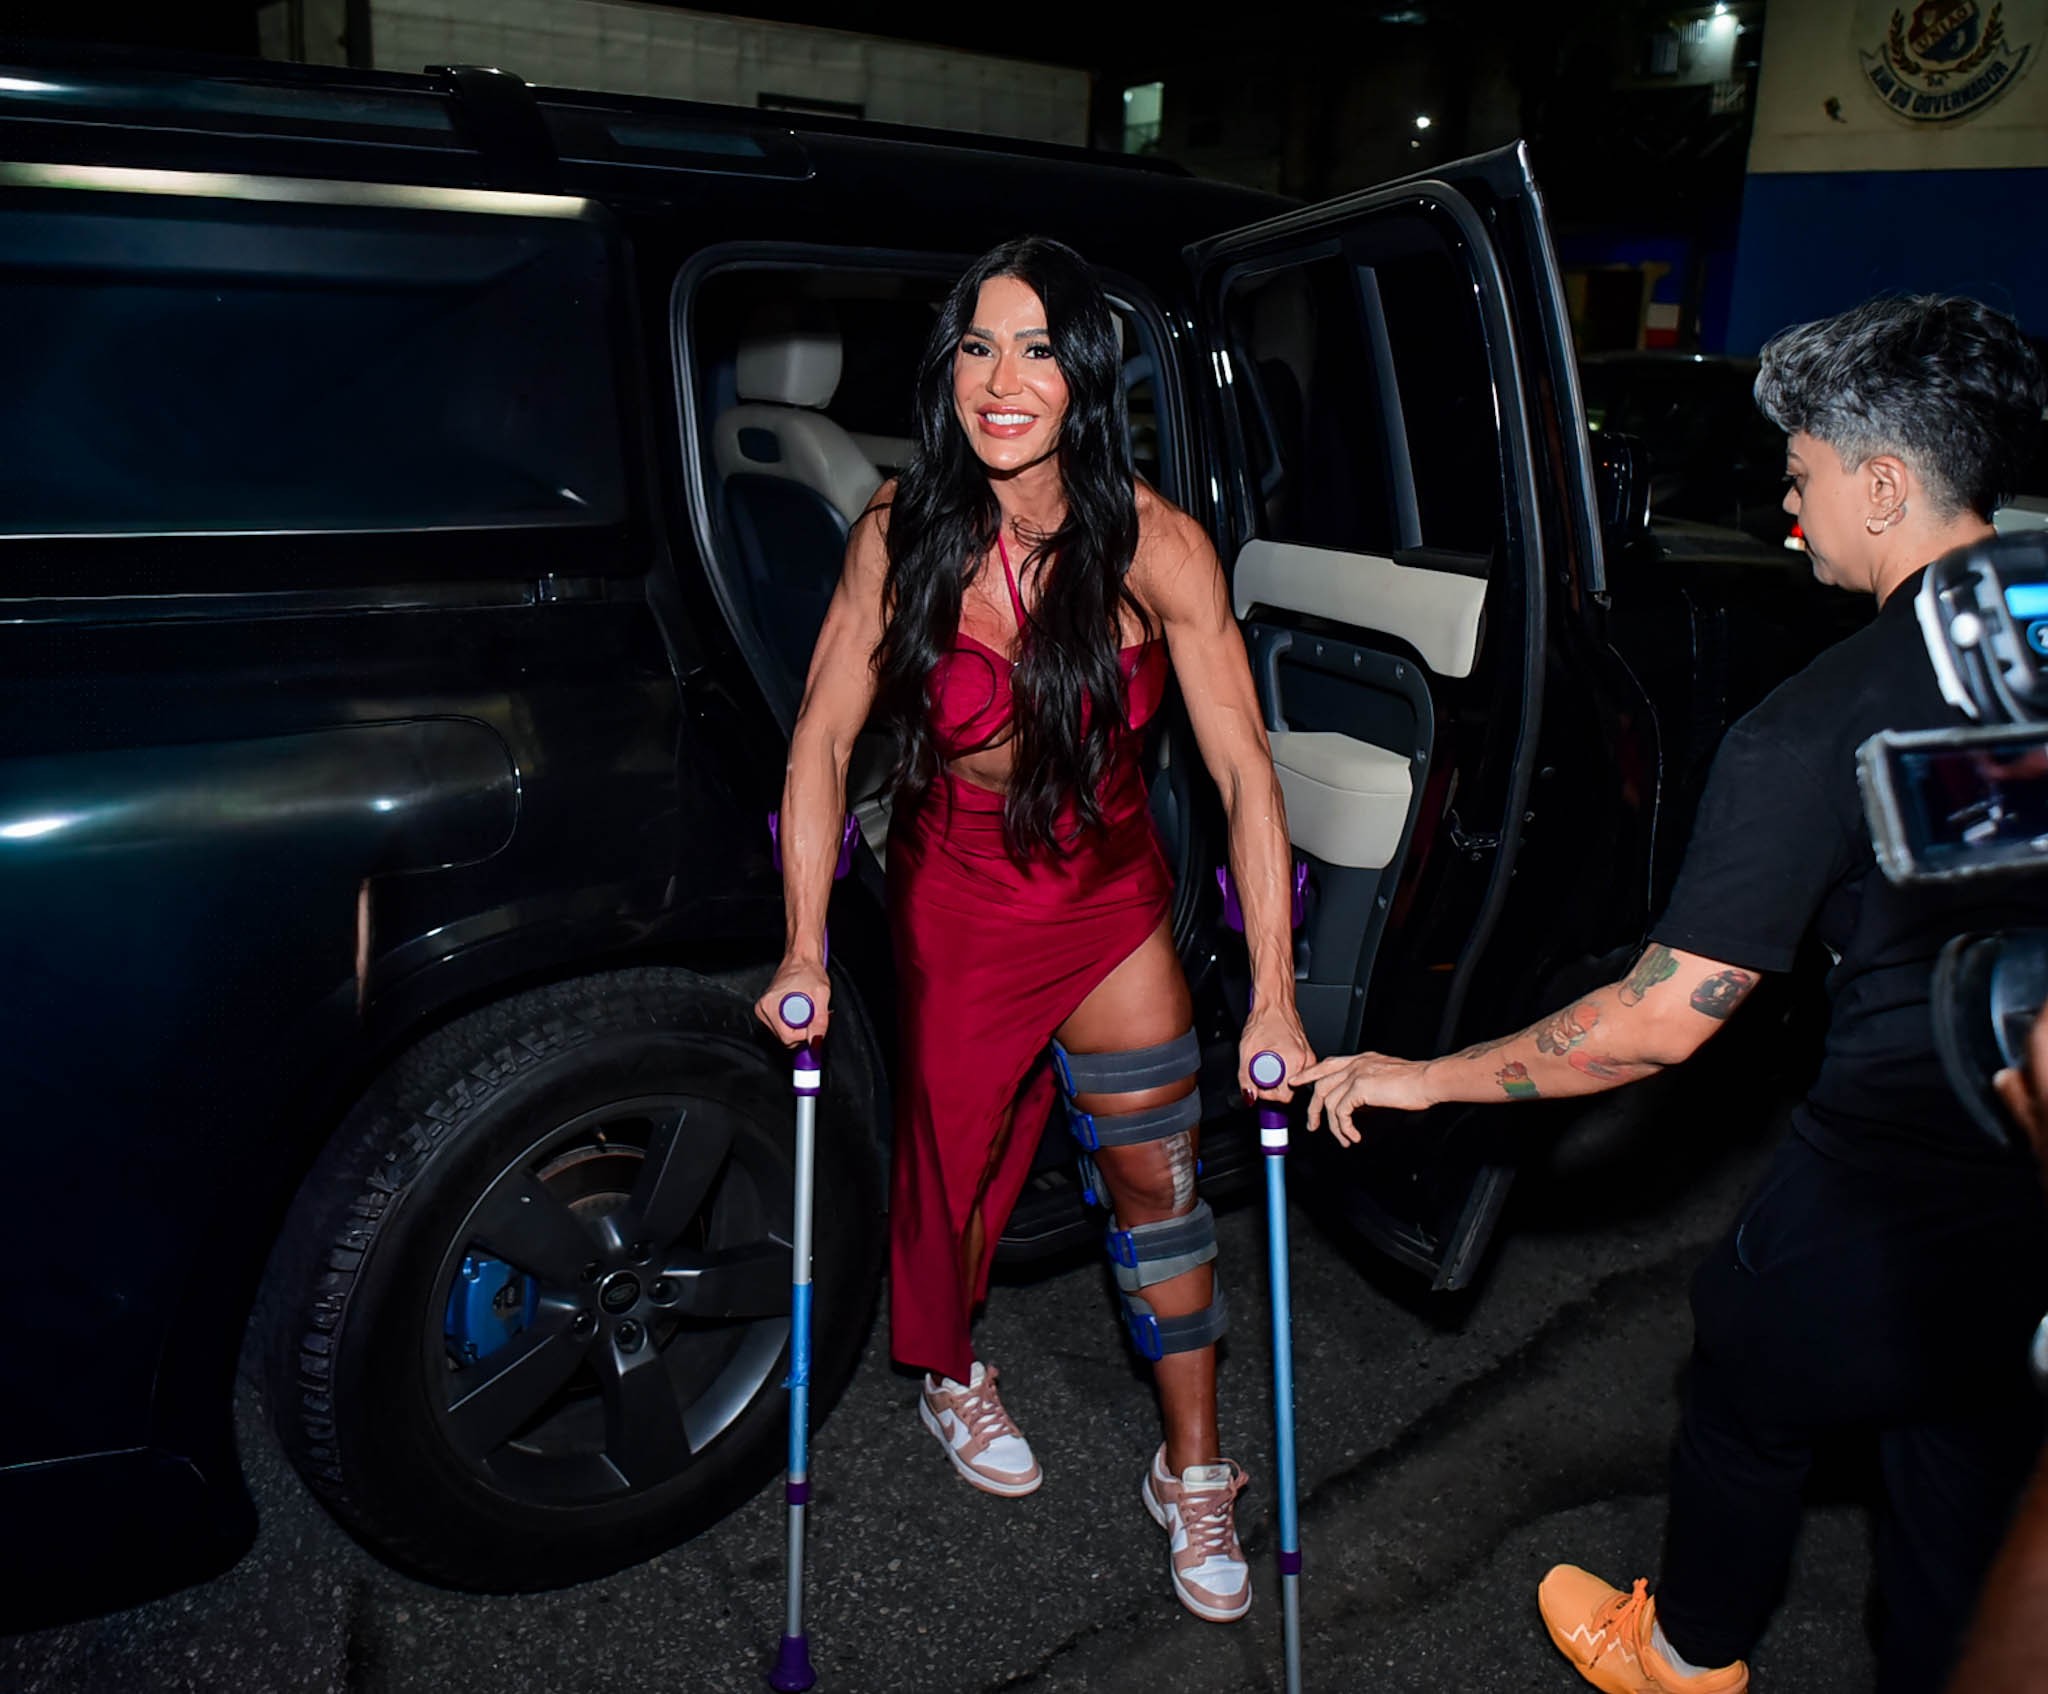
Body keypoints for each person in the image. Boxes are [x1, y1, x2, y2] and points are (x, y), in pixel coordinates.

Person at [1298, 294, 2048, 1694]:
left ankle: (1686, 1655)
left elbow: (1655, 1021)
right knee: (1965, 1463)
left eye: (1803, 472)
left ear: (1887, 485)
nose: (1787, 504)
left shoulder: (1813, 724)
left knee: (1746, 1379)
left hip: (1893, 1176)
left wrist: (1425, 1077)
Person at [755, 236, 1313, 1623]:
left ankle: (1194, 1467)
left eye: (1040, 348)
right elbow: (822, 740)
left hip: (1106, 895)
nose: (1003, 381)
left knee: (1157, 1180)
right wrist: (806, 945)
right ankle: (951, 1369)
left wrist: (1276, 996)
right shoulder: (900, 532)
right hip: (956, 887)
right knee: (953, 1172)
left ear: (1088, 376)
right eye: (979, 347)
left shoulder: (1157, 543)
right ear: (948, 368)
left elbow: (1245, 771)